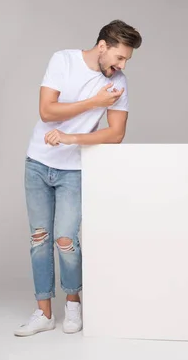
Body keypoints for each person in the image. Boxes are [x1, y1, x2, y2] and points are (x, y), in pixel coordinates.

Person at [14, 20, 142, 337]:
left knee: (66, 240)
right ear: (103, 46)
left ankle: (74, 304)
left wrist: (72, 140)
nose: (122, 65)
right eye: (120, 57)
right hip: (38, 163)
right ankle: (43, 313)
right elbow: (47, 111)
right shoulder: (63, 60)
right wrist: (93, 103)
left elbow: (115, 134)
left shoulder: (119, 83)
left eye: (126, 60)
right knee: (39, 240)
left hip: (74, 169)